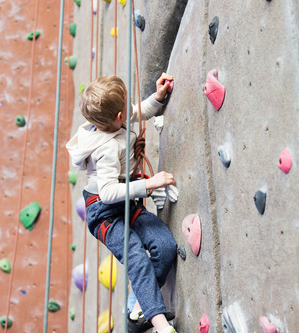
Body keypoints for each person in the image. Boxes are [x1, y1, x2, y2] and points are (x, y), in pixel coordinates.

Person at [66, 74, 177, 333]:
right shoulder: (104, 150)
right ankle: (160, 324)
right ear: (118, 117)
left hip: (124, 202)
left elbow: (137, 111)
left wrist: (158, 98)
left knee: (165, 245)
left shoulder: (111, 122)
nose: (129, 110)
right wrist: (148, 184)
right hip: (104, 213)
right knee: (136, 254)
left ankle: (138, 308)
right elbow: (106, 193)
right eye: (125, 107)